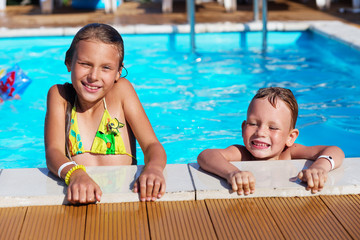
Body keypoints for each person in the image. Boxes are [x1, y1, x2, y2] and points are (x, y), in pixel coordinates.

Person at [45, 23, 167, 204]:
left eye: (106, 68)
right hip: (79, 207)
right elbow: (53, 152)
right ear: (69, 62)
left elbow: (151, 145)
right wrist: (75, 173)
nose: (94, 76)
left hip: (126, 204)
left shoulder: (121, 93)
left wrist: (154, 168)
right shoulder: (60, 96)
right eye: (85, 64)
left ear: (119, 72)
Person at [197, 87, 344, 195]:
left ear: (290, 137)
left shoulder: (289, 153)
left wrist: (320, 167)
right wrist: (232, 173)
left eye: (273, 127)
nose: (260, 132)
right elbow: (206, 156)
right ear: (243, 128)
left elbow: (335, 151)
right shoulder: (243, 154)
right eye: (253, 124)